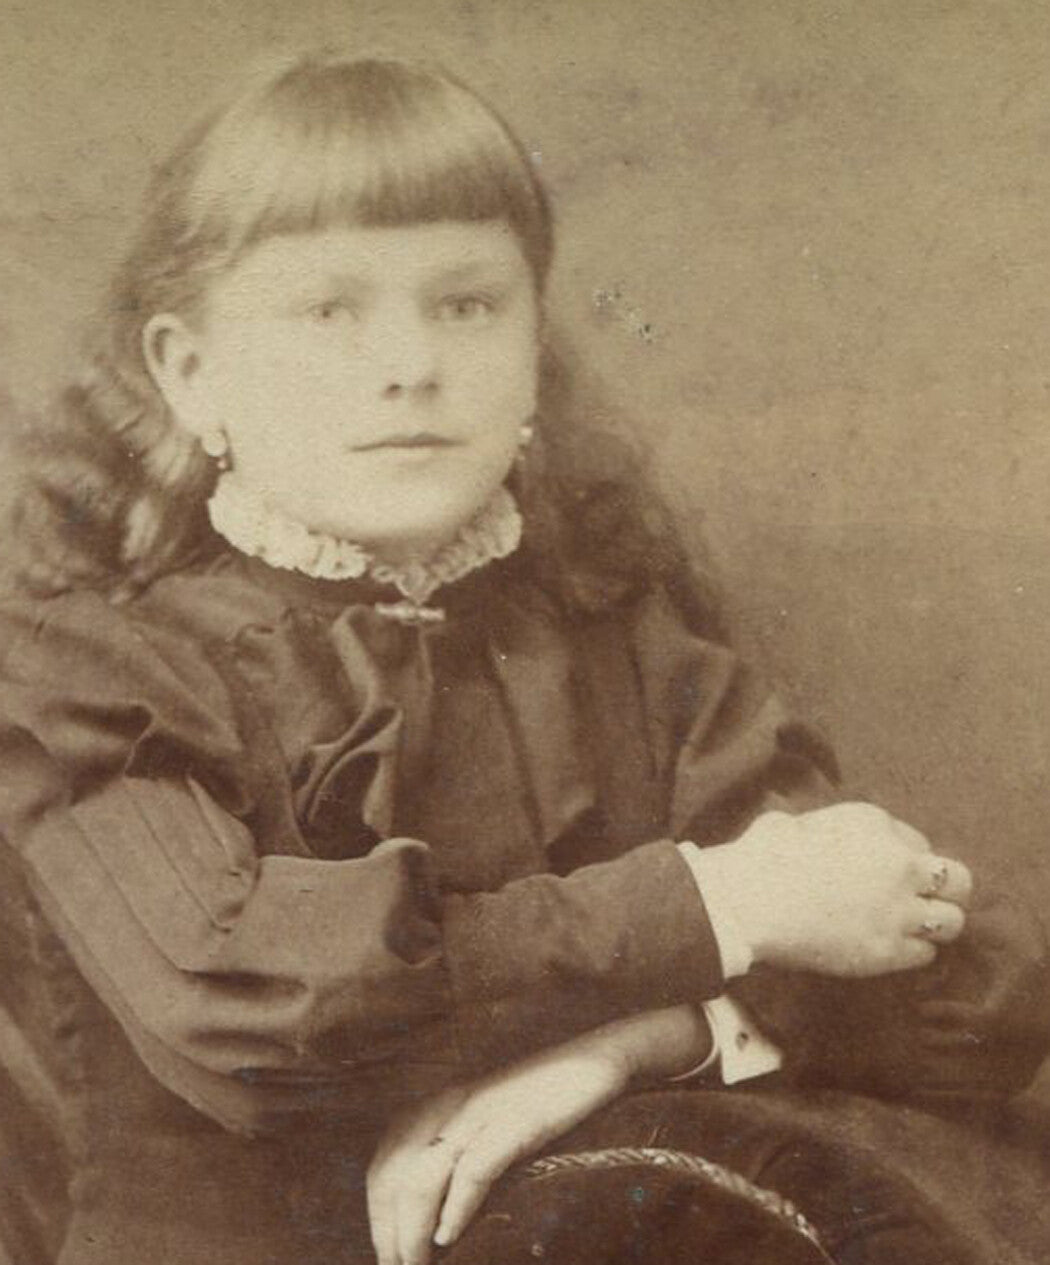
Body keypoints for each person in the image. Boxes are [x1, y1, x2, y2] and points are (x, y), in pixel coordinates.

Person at [0, 49, 1045, 1265]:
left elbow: (975, 990)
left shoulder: (634, 651)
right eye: (330, 308)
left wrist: (634, 1042)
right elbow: (258, 1008)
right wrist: (723, 903)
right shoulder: (94, 672)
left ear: (530, 349)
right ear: (192, 374)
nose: (409, 363)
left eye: (466, 303)